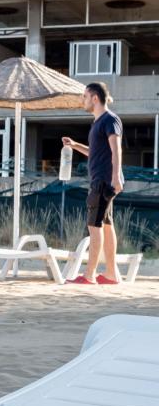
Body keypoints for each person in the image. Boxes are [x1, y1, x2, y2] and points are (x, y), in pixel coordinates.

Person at [62, 81, 124, 285]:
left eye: (85, 96)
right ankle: (111, 275)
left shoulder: (109, 119)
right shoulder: (98, 123)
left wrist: (115, 177)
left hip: (104, 181)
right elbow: (96, 153)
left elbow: (116, 150)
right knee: (106, 225)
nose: (83, 100)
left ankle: (89, 275)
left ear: (95, 98)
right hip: (104, 179)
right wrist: (75, 145)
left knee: (94, 226)